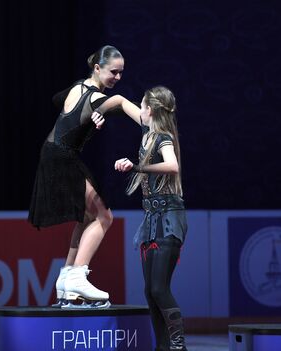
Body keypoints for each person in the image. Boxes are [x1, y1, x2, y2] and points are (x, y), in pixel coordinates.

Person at [28, 45, 139, 309]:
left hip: (54, 153)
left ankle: (66, 279)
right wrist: (151, 122)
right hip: (62, 156)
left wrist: (87, 119)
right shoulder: (96, 97)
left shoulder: (79, 87)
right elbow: (122, 103)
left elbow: (59, 100)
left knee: (88, 216)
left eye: (122, 73)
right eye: (114, 72)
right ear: (97, 68)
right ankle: (78, 276)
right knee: (104, 216)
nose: (118, 78)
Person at [99, 86, 188, 350]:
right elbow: (118, 100)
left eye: (142, 106)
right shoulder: (147, 131)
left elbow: (172, 166)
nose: (139, 109)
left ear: (149, 110)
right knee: (150, 292)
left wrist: (137, 167)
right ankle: (162, 347)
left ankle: (178, 346)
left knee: (160, 289)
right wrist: (98, 113)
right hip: (152, 219)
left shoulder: (162, 138)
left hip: (169, 218)